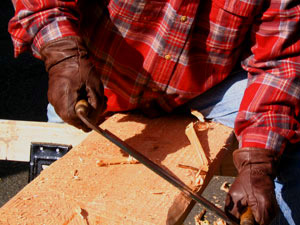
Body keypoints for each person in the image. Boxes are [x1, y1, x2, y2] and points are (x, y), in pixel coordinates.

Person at [8, 0, 299, 224]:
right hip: (96, 84)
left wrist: (258, 162)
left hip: (208, 84)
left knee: (288, 143)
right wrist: (63, 54)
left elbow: (281, 62)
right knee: (62, 190)